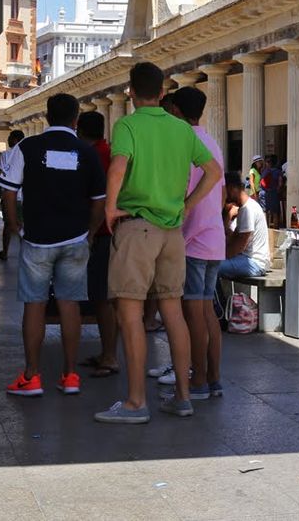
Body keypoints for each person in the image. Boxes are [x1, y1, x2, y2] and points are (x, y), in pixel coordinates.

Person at [95, 62, 222, 425]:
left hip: (137, 227)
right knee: (173, 312)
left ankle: (136, 402)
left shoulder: (129, 125)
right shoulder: (183, 129)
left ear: (131, 92)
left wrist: (109, 208)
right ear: (163, 93)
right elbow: (213, 173)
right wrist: (186, 206)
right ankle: (183, 395)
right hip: (171, 232)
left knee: (130, 313)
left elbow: (119, 166)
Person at [0, 93, 106, 397]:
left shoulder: (27, 147)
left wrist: (13, 224)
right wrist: (91, 231)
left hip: (37, 240)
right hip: (75, 239)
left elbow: (8, 191)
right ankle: (70, 375)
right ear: (76, 119)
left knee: (34, 305)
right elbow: (99, 201)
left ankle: (31, 376)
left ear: (46, 116)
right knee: (69, 304)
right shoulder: (86, 152)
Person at [170, 87, 226, 400]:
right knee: (206, 312)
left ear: (176, 110)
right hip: (213, 236)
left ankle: (199, 379)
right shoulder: (212, 141)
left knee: (193, 312)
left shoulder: (185, 142)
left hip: (192, 239)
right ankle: (213, 377)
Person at [75, 111, 119, 379]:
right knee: (103, 298)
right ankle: (106, 352)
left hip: (102, 232)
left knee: (103, 299)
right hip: (106, 231)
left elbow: (99, 198)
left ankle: (111, 356)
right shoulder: (106, 151)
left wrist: (90, 233)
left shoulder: (96, 155)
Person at [220, 171, 271, 279]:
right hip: (246, 259)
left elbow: (238, 246)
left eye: (224, 190)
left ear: (233, 188)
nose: (223, 195)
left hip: (255, 262)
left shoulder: (248, 209)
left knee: (213, 267)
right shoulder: (244, 208)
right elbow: (233, 239)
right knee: (211, 265)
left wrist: (217, 257)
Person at [0, 129, 26, 261]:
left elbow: (2, 174)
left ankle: (6, 252)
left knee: (10, 225)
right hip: (23, 197)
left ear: (15, 139)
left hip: (11, 195)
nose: (7, 140)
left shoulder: (6, 155)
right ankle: (24, 253)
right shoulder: (27, 153)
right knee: (22, 225)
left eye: (10, 137)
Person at [261, 155, 283, 227]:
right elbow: (280, 183)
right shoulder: (278, 171)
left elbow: (261, 182)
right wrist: (278, 190)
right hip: (274, 193)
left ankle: (266, 227)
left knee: (267, 211)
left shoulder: (264, 171)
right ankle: (275, 226)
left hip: (267, 192)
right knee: (275, 212)